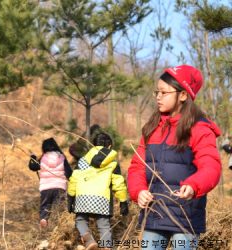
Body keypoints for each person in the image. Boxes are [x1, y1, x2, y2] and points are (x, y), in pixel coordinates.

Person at [127, 65, 221, 250]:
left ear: (183, 95)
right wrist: (138, 191)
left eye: (164, 92)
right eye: (157, 92)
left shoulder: (200, 129)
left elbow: (211, 167)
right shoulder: (152, 128)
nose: (158, 97)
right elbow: (137, 166)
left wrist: (194, 186)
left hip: (185, 219)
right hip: (154, 215)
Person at [67, 132, 128, 250]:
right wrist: (123, 201)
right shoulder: (113, 163)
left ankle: (89, 240)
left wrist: (70, 198)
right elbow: (118, 183)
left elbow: (73, 180)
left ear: (93, 145)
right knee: (104, 225)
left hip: (83, 198)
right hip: (102, 199)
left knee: (80, 220)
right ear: (109, 146)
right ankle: (107, 247)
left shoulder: (83, 161)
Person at [28, 137, 72, 228]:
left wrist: (32, 158)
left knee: (45, 205)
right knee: (59, 206)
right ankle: (58, 224)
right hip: (60, 186)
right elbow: (69, 173)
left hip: (46, 187)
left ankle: (44, 219)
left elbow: (33, 167)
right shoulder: (61, 157)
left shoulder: (43, 158)